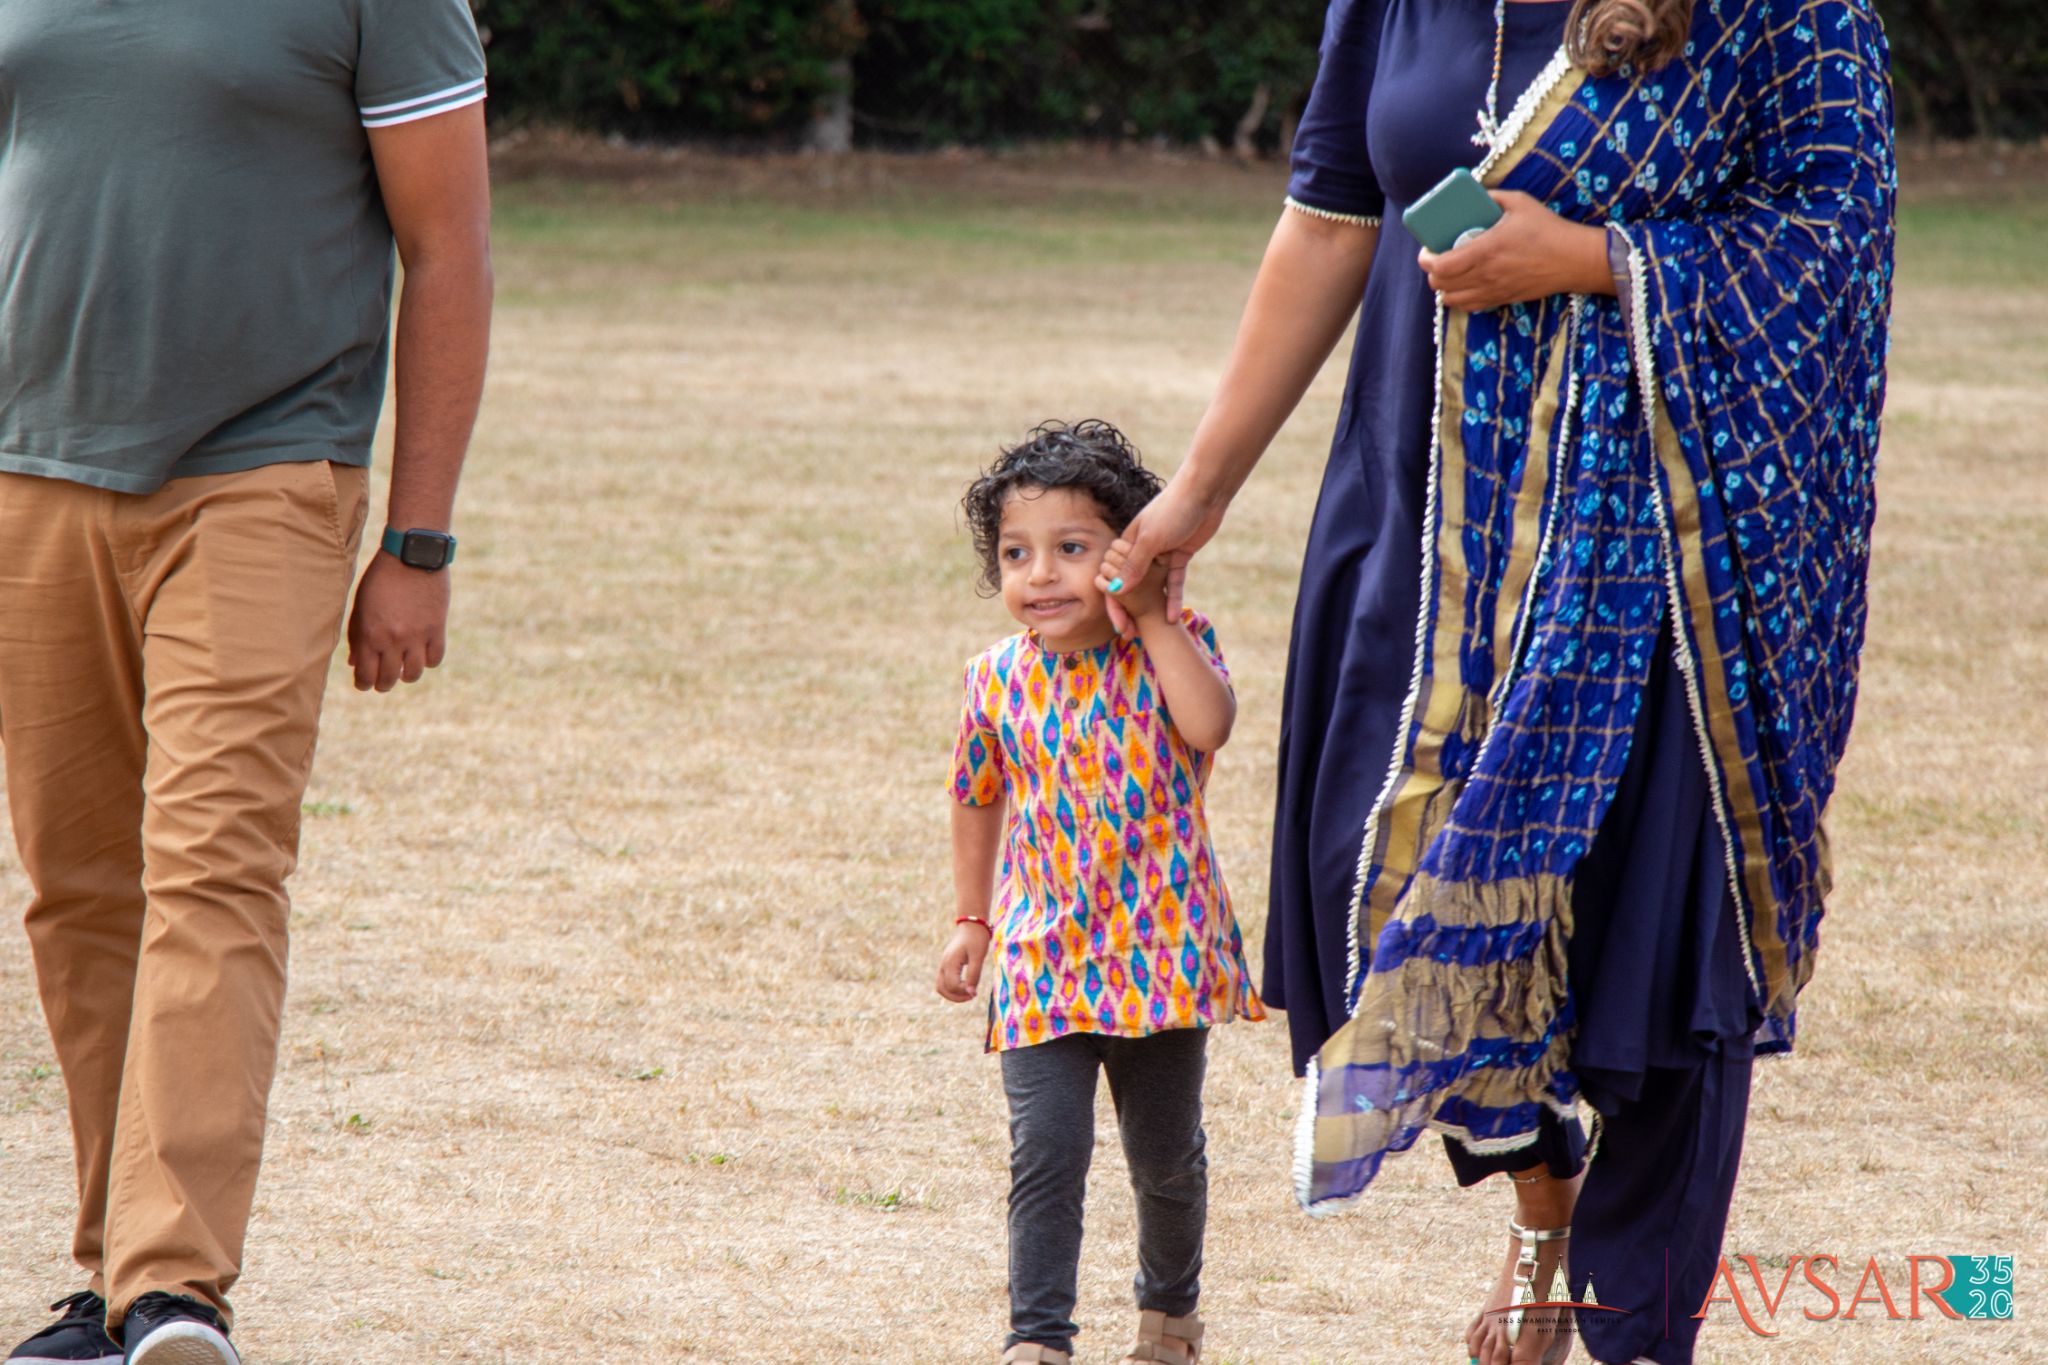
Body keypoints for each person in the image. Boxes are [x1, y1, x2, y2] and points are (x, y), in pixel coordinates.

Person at [1096, 1, 1895, 1362]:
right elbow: (1335, 218)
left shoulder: (1788, 12)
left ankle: (1637, 1328)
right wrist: (1196, 493)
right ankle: (1543, 1197)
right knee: (1379, 896)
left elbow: (1835, 244)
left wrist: (1594, 260)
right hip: (1423, 530)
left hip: (1667, 564)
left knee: (1650, 954)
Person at [0, 3, 494, 1362]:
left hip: (264, 471)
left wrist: (419, 539)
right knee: (77, 887)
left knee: (213, 865)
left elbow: (447, 249)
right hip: (28, 470)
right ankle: (110, 1278)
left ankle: (173, 1286)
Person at [936, 422, 1266, 1365]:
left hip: (1162, 952)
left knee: (1164, 1161)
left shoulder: (1172, 649)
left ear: (1130, 554)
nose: (1040, 574)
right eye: (1015, 553)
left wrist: (1156, 615)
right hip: (1045, 956)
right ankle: (1037, 1340)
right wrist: (972, 919)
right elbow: (975, 797)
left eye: (1072, 549)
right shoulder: (994, 680)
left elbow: (1212, 725)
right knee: (1047, 1152)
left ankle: (1168, 1322)